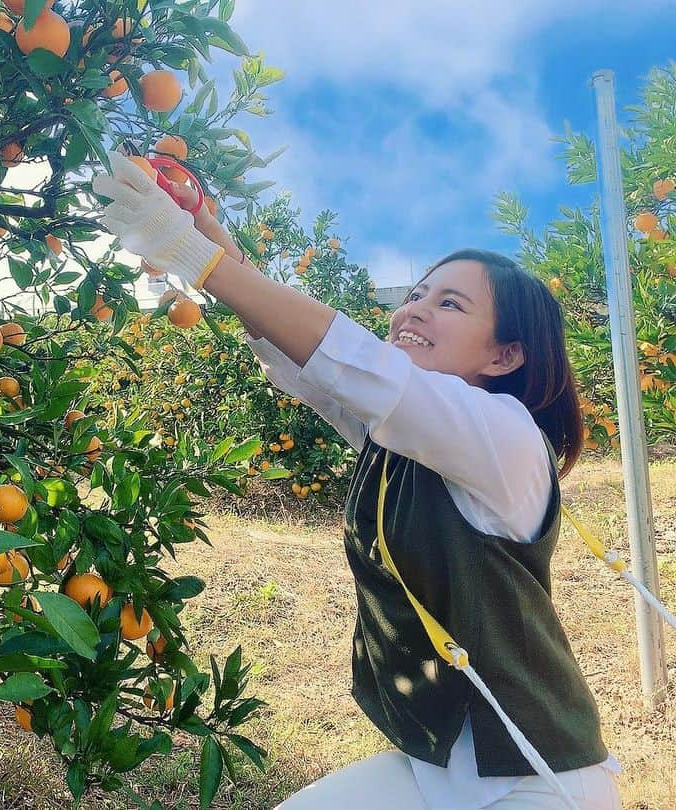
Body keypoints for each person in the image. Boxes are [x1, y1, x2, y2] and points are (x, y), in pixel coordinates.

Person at [92, 152, 623, 810]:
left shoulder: (505, 437)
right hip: (437, 766)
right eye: (416, 296)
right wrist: (202, 230)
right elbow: (304, 357)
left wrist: (189, 253)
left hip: (537, 778)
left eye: (449, 303)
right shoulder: (398, 432)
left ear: (504, 355)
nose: (414, 311)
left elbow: (353, 360)